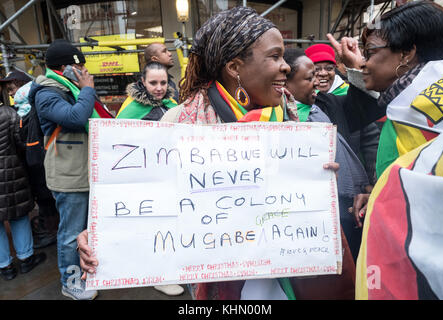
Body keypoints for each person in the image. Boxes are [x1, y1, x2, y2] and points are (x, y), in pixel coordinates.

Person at [78, 6, 356, 300]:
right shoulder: (178, 125)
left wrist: (318, 186)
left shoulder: (289, 115)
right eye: (274, 56)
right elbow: (143, 206)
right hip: (228, 286)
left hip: (292, 277)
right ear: (235, 68)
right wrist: (102, 237)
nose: (285, 66)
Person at [328, 1, 443, 299]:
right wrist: (383, 191)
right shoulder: (418, 103)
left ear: (407, 53)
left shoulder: (424, 119)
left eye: (371, 54)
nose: (364, 64)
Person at [28, 39, 112, 300]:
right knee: (71, 234)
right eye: (81, 67)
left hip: (88, 173)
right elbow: (75, 119)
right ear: (65, 68)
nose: (86, 73)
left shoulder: (72, 89)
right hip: (69, 177)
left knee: (89, 232)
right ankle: (71, 282)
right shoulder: (47, 93)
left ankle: (89, 274)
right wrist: (87, 90)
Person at [284, 47, 372, 262]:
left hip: (350, 210)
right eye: (309, 77)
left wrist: (356, 67)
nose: (317, 82)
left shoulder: (327, 103)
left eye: (316, 75)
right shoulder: (275, 120)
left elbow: (370, 106)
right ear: (286, 84)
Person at [115, 61, 183, 297]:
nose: (159, 88)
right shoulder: (131, 109)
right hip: (147, 180)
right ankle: (160, 276)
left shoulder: (171, 104)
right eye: (153, 82)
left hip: (172, 178)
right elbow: (119, 146)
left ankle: (169, 270)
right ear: (142, 82)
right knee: (156, 228)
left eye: (163, 82)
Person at [305, 43, 380, 188]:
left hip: (350, 183)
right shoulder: (299, 105)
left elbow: (371, 143)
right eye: (316, 69)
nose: (323, 73)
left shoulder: (351, 98)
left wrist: (373, 182)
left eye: (329, 68)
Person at [0, 71, 59, 250]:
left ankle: (51, 230)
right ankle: (47, 229)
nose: (10, 93)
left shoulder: (30, 107)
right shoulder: (17, 111)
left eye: (12, 89)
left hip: (39, 162)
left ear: (21, 85)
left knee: (45, 197)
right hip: (29, 164)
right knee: (41, 200)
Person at [0, 102, 46, 281]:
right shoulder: (9, 114)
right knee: (18, 216)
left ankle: (5, 267)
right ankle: (26, 258)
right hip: (12, 174)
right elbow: (21, 143)